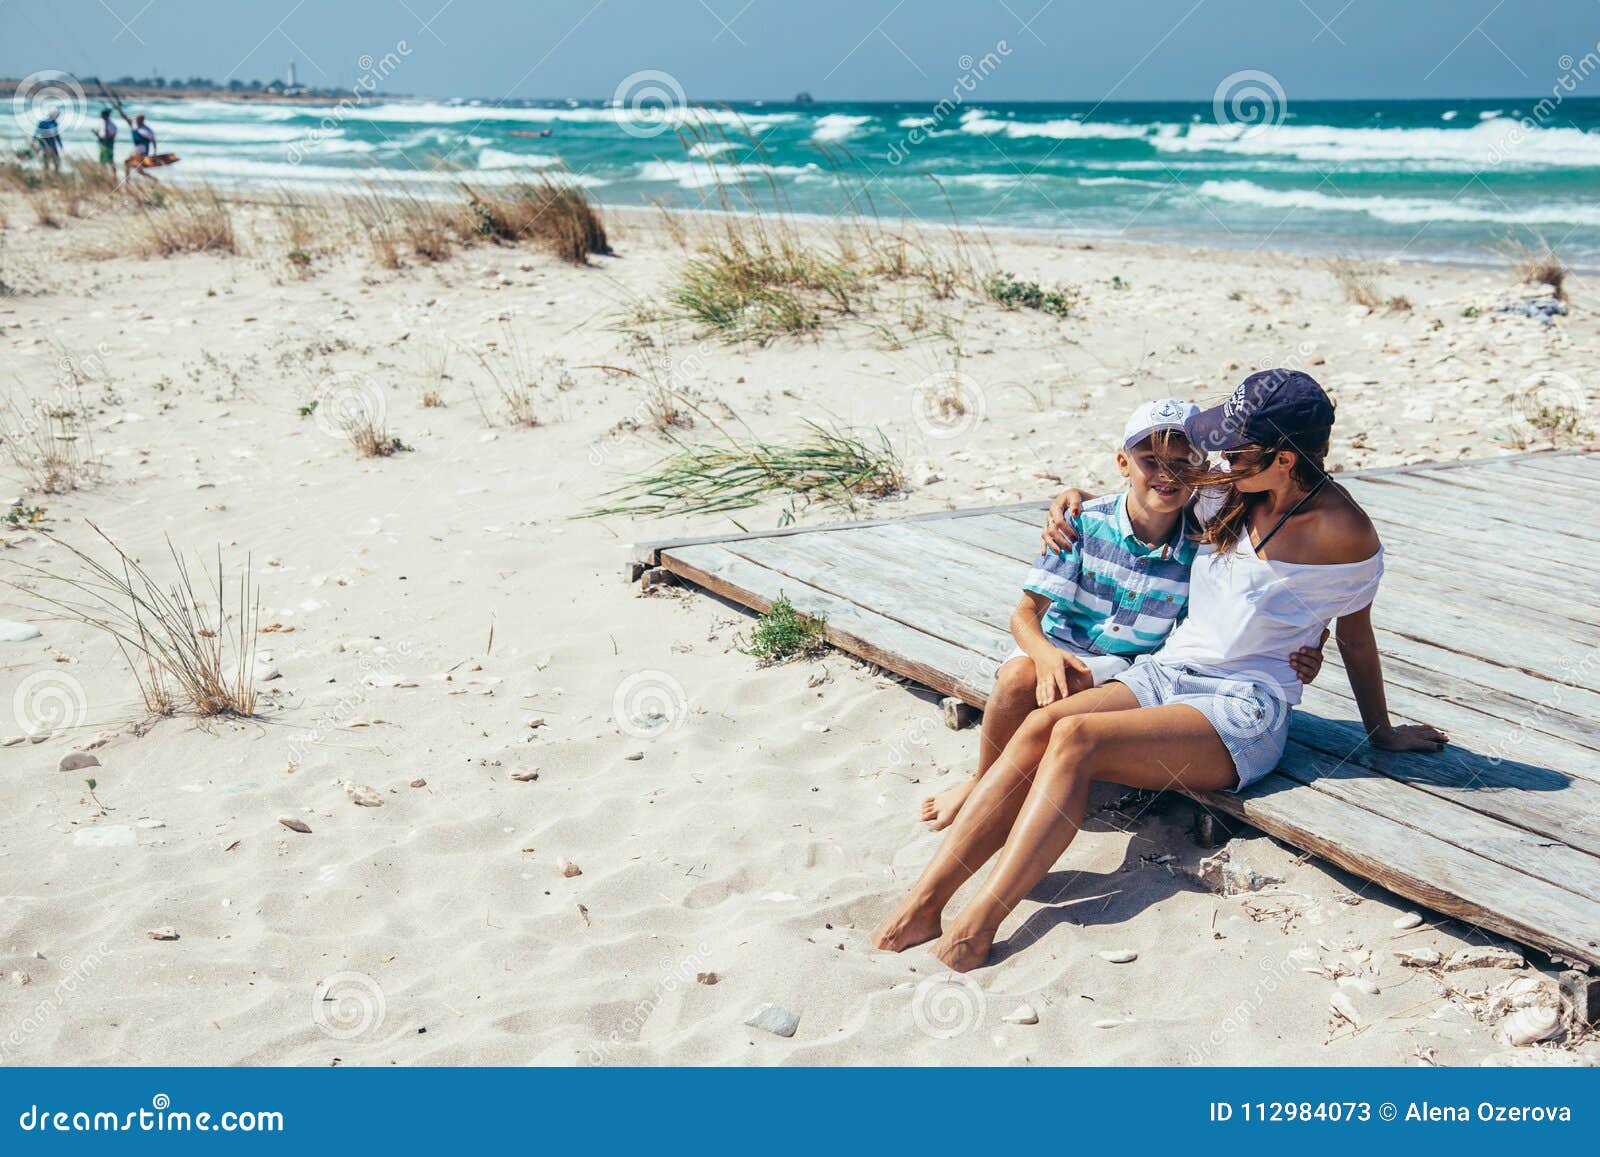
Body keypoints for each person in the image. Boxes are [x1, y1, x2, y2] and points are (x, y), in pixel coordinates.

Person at [875, 369, 1449, 972]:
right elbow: (1141, 485)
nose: (1223, 455)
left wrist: (1379, 731)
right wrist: (1069, 496)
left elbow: (1356, 636)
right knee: (1041, 728)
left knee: (1074, 737)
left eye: (1237, 446)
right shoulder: (1229, 493)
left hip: (1242, 706)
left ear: (1283, 458)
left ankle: (976, 926)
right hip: (1167, 671)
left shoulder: (1344, 533)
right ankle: (923, 905)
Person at [920, 398, 1326, 830]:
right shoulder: (1082, 523)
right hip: (1059, 648)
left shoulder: (1204, 542)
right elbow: (1025, 613)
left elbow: (1280, 585)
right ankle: (982, 782)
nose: (1167, 474)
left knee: (1077, 709)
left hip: (1129, 668)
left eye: (1183, 462)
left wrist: (1307, 645)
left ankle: (1019, 778)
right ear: (1123, 462)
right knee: (1018, 678)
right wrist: (1042, 655)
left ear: (1202, 467)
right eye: (1150, 461)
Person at [32, 107, 63, 174]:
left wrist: (60, 144)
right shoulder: (43, 123)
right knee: (46, 160)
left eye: (58, 115)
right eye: (56, 115)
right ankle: (46, 173)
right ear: (51, 114)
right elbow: (37, 134)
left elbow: (57, 135)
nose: (57, 116)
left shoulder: (55, 123)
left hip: (53, 144)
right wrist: (35, 142)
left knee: (57, 160)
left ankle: (56, 174)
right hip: (44, 143)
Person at [93, 108, 118, 173]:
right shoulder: (102, 123)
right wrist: (96, 133)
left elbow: (113, 135)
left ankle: (114, 175)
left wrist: (106, 139)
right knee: (102, 160)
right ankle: (103, 174)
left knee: (110, 160)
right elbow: (100, 133)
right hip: (102, 143)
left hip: (108, 143)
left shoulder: (111, 125)